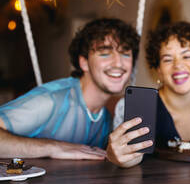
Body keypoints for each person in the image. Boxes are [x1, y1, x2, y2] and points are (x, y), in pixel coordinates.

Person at [0, 18, 152, 168]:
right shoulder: (51, 100)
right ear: (84, 62)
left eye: (125, 53)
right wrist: (52, 147)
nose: (118, 63)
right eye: (105, 53)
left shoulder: (105, 119)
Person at [145, 21, 190, 146]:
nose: (178, 65)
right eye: (167, 59)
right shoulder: (148, 109)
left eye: (187, 56)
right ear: (159, 70)